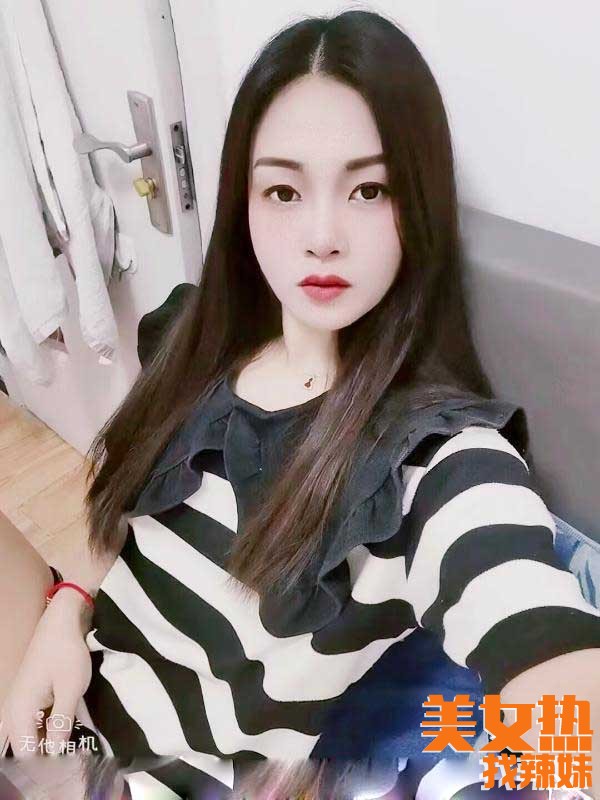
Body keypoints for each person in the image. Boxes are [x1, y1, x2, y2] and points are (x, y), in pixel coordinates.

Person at [2, 9, 600, 800]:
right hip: (63, 683)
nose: (322, 236)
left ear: (418, 206)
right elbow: (123, 497)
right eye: (284, 189)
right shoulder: (194, 336)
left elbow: (555, 675)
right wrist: (67, 608)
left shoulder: (436, 462)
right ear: (243, 205)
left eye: (369, 189)